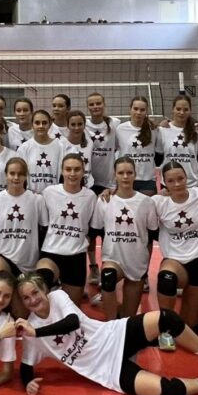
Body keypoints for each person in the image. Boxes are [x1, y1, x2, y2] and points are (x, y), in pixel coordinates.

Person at [15, 275, 198, 395]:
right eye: (26, 298)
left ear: (44, 290)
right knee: (166, 392)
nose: (33, 300)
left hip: (113, 335)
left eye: (35, 292)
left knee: (167, 318)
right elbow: (26, 366)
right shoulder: (31, 331)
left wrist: (36, 332)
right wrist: (28, 383)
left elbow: (72, 322)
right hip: (105, 370)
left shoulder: (57, 297)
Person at [152, 162, 198, 336]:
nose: (177, 184)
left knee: (191, 327)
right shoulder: (158, 202)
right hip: (175, 260)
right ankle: (165, 327)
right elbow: (132, 202)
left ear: (187, 177)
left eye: (180, 178)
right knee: (166, 279)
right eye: (171, 181)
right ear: (164, 182)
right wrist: (111, 191)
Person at [90, 157, 158, 319]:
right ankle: (111, 324)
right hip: (113, 259)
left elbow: (151, 237)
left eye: (129, 172)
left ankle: (117, 311)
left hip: (136, 261)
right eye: (121, 173)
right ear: (115, 175)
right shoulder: (104, 200)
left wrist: (146, 266)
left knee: (127, 318)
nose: (125, 176)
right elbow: (96, 231)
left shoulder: (147, 202)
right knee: (108, 277)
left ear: (135, 174)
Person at [0, 157, 48, 316]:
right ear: (6, 175)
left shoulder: (37, 200)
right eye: (12, 173)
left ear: (26, 176)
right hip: (3, 256)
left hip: (27, 264)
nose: (16, 177)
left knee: (21, 314)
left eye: (20, 174)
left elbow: (44, 230)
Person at [35, 154, 96, 304]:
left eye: (77, 169)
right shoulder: (49, 192)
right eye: (68, 169)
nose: (72, 173)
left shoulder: (90, 197)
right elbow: (42, 223)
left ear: (83, 172)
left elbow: (93, 228)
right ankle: (54, 286)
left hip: (76, 256)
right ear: (62, 171)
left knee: (71, 308)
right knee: (42, 284)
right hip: (51, 252)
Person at [85, 92, 119, 286]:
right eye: (92, 104)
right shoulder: (83, 125)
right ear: (88, 107)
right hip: (89, 184)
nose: (95, 107)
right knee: (90, 231)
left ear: (104, 104)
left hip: (108, 184)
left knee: (107, 230)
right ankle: (93, 267)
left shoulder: (114, 124)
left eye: (98, 103)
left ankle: (107, 266)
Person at [114, 96, 158, 195]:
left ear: (146, 112)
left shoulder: (154, 129)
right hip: (126, 177)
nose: (138, 112)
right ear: (130, 110)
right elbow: (115, 149)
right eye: (135, 109)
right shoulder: (120, 129)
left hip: (147, 180)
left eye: (142, 110)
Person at [156, 94, 198, 187]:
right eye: (178, 109)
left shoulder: (197, 131)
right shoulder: (162, 130)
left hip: (192, 183)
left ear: (190, 111)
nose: (182, 112)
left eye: (185, 109)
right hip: (169, 183)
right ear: (173, 109)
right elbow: (158, 158)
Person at [16, 110, 64, 193]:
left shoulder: (60, 146)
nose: (41, 126)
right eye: (37, 123)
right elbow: (19, 175)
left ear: (50, 124)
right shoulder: (24, 148)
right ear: (32, 125)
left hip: (54, 195)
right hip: (31, 196)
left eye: (44, 123)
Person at [58, 110, 94, 189]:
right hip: (67, 185)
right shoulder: (60, 144)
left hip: (87, 186)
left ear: (84, 125)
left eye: (80, 124)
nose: (76, 128)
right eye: (73, 124)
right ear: (67, 125)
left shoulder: (89, 143)